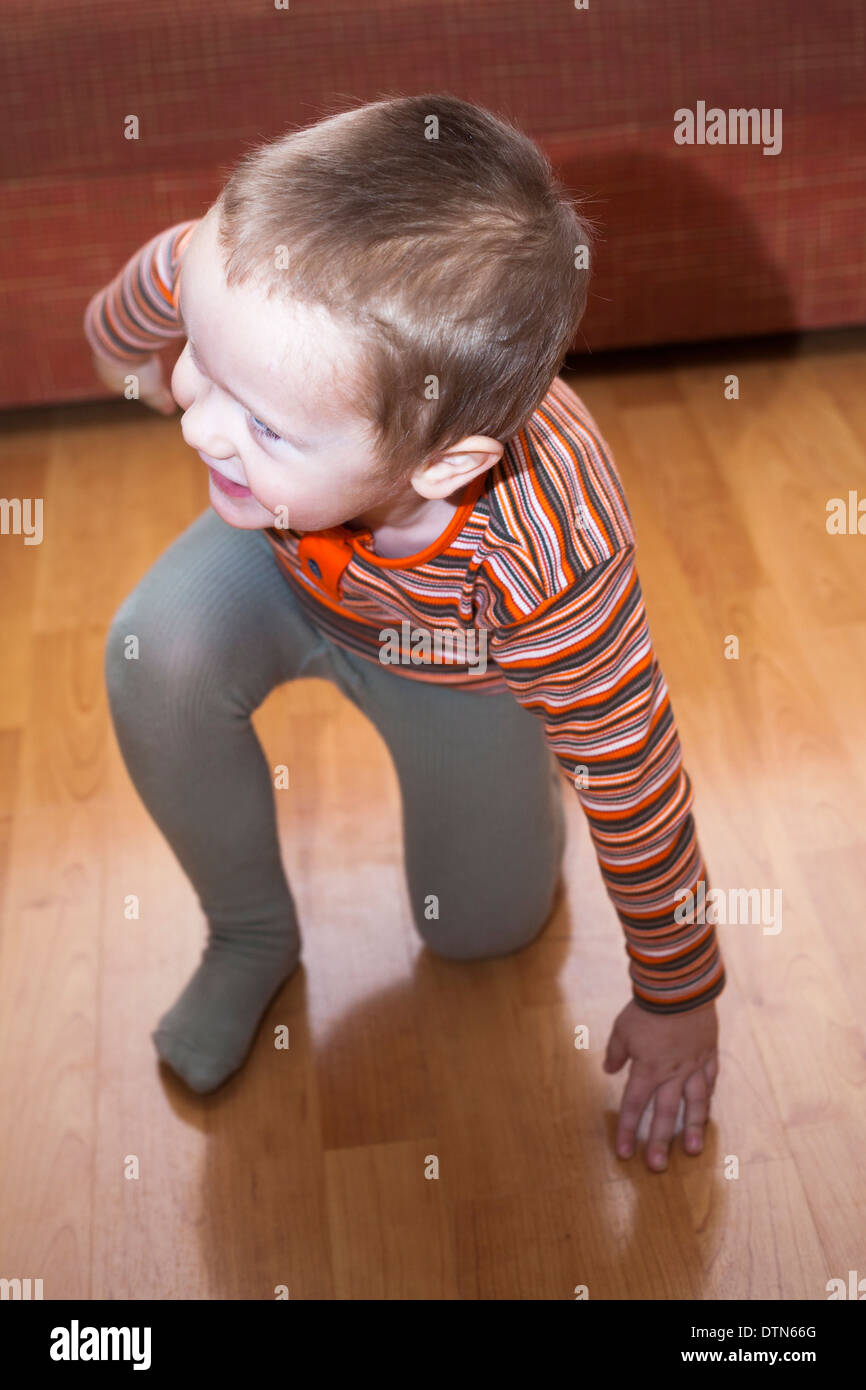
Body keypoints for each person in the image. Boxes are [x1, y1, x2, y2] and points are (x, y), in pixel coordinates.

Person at [85, 93, 723, 1171]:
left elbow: (634, 774)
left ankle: (519, 788)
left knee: (479, 933)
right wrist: (142, 359)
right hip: (285, 569)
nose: (197, 423)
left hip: (459, 673)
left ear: (443, 468)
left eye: (263, 420)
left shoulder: (552, 565)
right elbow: (144, 297)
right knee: (156, 652)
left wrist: (679, 991)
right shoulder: (233, 268)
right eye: (208, 359)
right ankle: (247, 930)